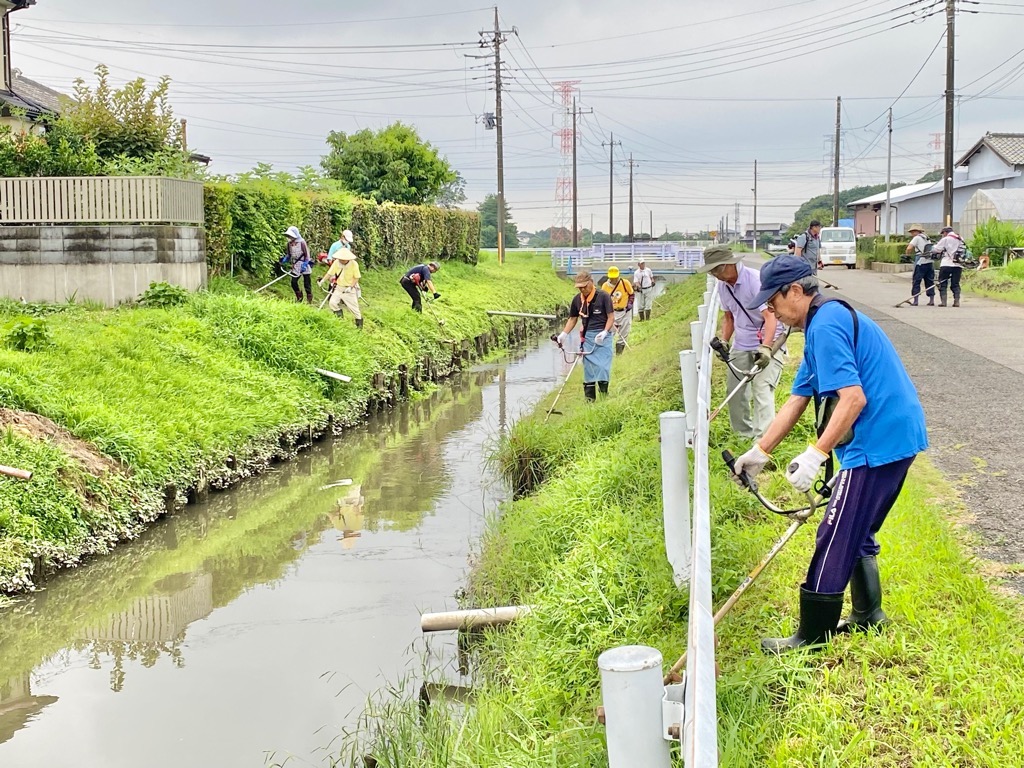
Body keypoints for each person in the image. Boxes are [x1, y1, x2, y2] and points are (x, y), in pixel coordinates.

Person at [730, 256, 927, 654]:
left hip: (877, 442)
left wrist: (816, 454)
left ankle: (812, 636)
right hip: (895, 435)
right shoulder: (821, 324)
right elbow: (798, 399)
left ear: (797, 292)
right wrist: (759, 451)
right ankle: (869, 615)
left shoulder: (827, 325)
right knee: (857, 530)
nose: (771, 311)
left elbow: (853, 399)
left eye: (773, 302)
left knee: (835, 532)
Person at [698, 245, 785, 440]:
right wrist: (724, 341)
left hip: (769, 339)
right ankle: (743, 435)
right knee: (734, 390)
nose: (715, 275)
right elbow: (729, 318)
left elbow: (770, 318)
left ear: (730, 264)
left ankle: (763, 443)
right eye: (712, 272)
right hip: (742, 343)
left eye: (717, 270)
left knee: (762, 388)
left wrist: (767, 348)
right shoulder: (723, 286)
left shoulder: (754, 280)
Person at [557, 270, 615, 401]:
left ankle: (604, 398)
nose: (582, 289)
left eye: (584, 286)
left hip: (603, 338)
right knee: (589, 371)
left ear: (591, 282)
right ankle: (590, 401)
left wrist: (605, 331)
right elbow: (573, 318)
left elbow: (611, 317)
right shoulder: (577, 300)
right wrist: (564, 334)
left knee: (602, 368)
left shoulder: (604, 296)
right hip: (588, 338)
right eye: (580, 287)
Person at [321, 245, 363, 328]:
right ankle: (339, 321)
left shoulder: (354, 264)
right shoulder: (336, 262)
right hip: (339, 287)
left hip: (349, 289)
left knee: (355, 309)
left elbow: (356, 277)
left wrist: (350, 287)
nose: (341, 260)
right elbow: (330, 273)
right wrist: (323, 280)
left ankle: (359, 327)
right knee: (332, 303)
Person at [601, 265, 635, 355]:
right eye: (612, 278)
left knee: (624, 333)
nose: (614, 280)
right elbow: (601, 301)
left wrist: (630, 304)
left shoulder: (625, 283)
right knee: (609, 334)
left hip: (625, 312)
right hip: (612, 313)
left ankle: (619, 355)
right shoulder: (605, 286)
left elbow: (631, 294)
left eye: (615, 277)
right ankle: (607, 354)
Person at [281, 226, 314, 303]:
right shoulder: (289, 244)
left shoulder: (302, 242)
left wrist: (305, 264)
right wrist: (284, 260)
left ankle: (309, 299)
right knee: (293, 282)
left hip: (304, 263)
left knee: (307, 283)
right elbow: (289, 255)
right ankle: (299, 296)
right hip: (296, 265)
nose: (289, 237)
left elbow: (307, 255)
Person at [934, 226, 965, 307]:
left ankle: (943, 302)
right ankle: (956, 301)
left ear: (945, 232)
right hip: (958, 264)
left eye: (943, 233)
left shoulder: (945, 239)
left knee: (942, 283)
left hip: (946, 264)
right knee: (955, 283)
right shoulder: (960, 238)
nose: (943, 235)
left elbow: (936, 250)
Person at [905, 225, 935, 306]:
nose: (911, 234)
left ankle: (915, 300)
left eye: (912, 232)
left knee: (916, 280)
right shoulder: (927, 238)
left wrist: (907, 255)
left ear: (916, 231)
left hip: (920, 261)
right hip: (929, 261)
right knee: (930, 281)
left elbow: (909, 248)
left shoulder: (917, 238)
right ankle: (931, 300)